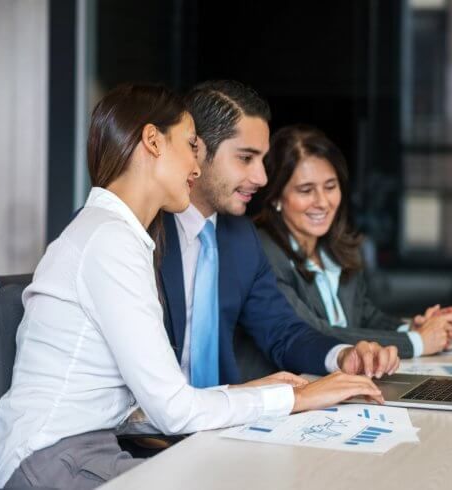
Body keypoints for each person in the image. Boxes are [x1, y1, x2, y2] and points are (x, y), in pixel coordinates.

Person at [0, 85, 390, 490]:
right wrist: (294, 398)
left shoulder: (121, 235)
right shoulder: (110, 241)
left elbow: (126, 396)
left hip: (94, 449)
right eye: (190, 144)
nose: (195, 165)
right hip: (55, 460)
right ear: (152, 141)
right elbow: (172, 411)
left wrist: (248, 391)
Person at [160, 80, 401, 387]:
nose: (261, 178)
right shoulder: (145, 233)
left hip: (224, 418)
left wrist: (342, 355)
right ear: (197, 149)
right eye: (246, 158)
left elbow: (283, 331)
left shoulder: (240, 237)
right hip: (154, 429)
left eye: (262, 159)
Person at [254, 124, 452, 358]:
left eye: (330, 187)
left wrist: (410, 328)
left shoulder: (334, 248)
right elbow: (311, 332)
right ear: (275, 198)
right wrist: (416, 342)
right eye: (306, 190)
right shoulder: (262, 253)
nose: (323, 202)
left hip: (352, 380)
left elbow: (365, 316)